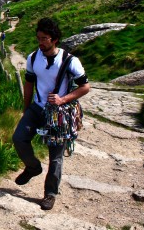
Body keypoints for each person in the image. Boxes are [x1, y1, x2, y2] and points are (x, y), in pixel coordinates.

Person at [12, 17, 90, 210]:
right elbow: (29, 83)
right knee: (19, 138)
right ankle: (33, 167)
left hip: (59, 113)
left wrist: (63, 99)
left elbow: (85, 87)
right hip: (37, 108)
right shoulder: (32, 58)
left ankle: (50, 194)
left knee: (56, 156)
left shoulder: (70, 61)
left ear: (54, 39)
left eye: (45, 38)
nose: (40, 42)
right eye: (38, 38)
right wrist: (26, 108)